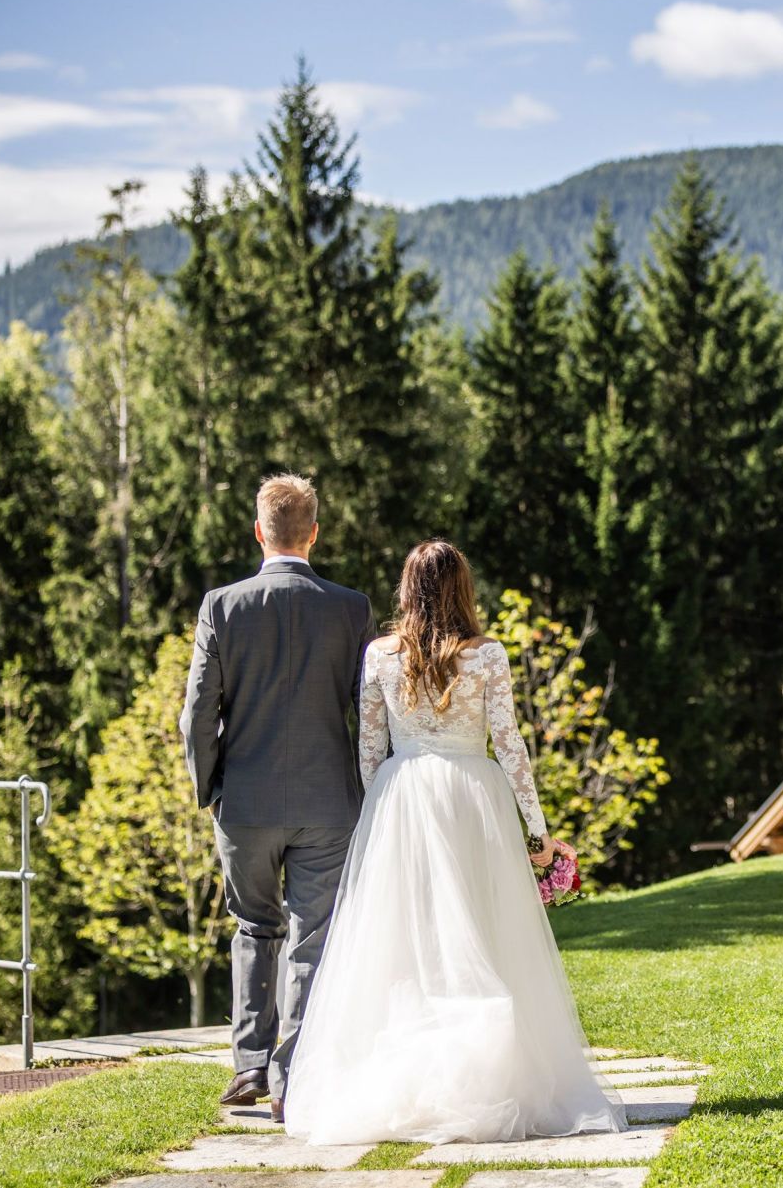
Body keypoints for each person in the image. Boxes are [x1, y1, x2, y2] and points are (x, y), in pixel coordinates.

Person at [283, 539, 626, 1144]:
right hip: (475, 795)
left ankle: (415, 1079)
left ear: (406, 589)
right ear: (461, 588)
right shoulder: (487, 654)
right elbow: (510, 743)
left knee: (408, 944)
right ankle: (491, 1080)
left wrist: (379, 810)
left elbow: (369, 745)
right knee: (486, 935)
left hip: (403, 797)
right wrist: (537, 829)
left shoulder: (379, 656)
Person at [181, 473, 375, 1122]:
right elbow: (367, 712)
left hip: (246, 802)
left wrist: (209, 785)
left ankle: (248, 1063)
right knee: (310, 937)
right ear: (313, 532)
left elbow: (196, 714)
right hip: (329, 805)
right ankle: (292, 1072)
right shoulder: (351, 607)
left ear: (259, 530)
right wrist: (369, 789)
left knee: (253, 926)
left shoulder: (222, 605)